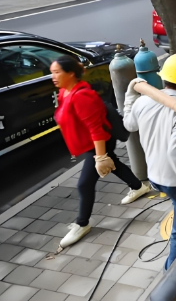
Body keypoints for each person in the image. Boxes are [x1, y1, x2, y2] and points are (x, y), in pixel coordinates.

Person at [51, 55, 150, 249]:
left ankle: (82, 223)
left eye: (56, 72)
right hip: (92, 143)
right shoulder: (65, 91)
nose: (53, 76)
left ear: (70, 74)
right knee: (114, 165)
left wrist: (100, 156)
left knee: (84, 184)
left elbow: (96, 129)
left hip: (98, 143)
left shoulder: (81, 96)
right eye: (52, 72)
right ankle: (138, 186)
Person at [123, 53, 176, 269]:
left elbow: (129, 125)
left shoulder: (144, 100)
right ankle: (172, 273)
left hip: (154, 175)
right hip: (175, 181)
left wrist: (130, 94)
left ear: (163, 78)